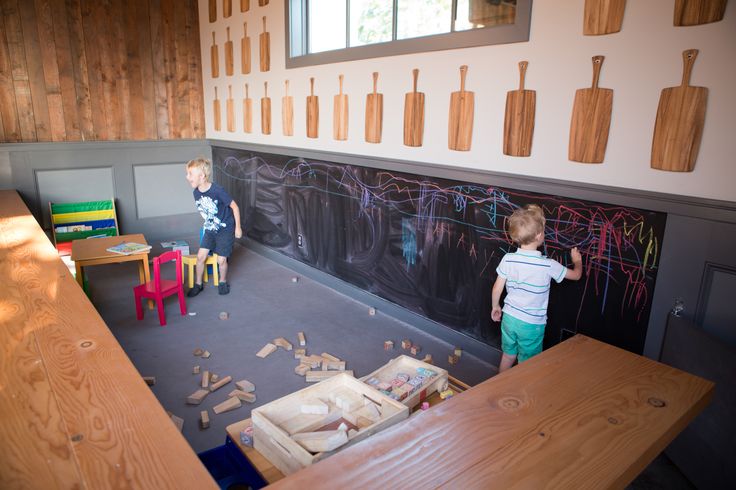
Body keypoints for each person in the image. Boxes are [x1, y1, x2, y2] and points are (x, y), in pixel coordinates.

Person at [491, 204, 582, 372]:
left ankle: (499, 387)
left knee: (508, 355)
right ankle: (521, 395)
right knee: (527, 363)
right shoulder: (547, 265)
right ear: (539, 235)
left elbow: (497, 288)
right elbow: (576, 275)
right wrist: (577, 261)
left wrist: (496, 306)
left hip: (509, 318)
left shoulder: (508, 259)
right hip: (531, 324)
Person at [185, 157, 242, 296]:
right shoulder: (196, 193)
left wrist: (238, 228)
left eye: (190, 174)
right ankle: (198, 284)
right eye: (187, 174)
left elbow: (234, 207)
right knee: (200, 257)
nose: (187, 177)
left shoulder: (218, 190)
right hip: (211, 229)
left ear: (202, 176)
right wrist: (208, 225)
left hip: (225, 229)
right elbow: (205, 211)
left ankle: (222, 282)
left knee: (221, 260)